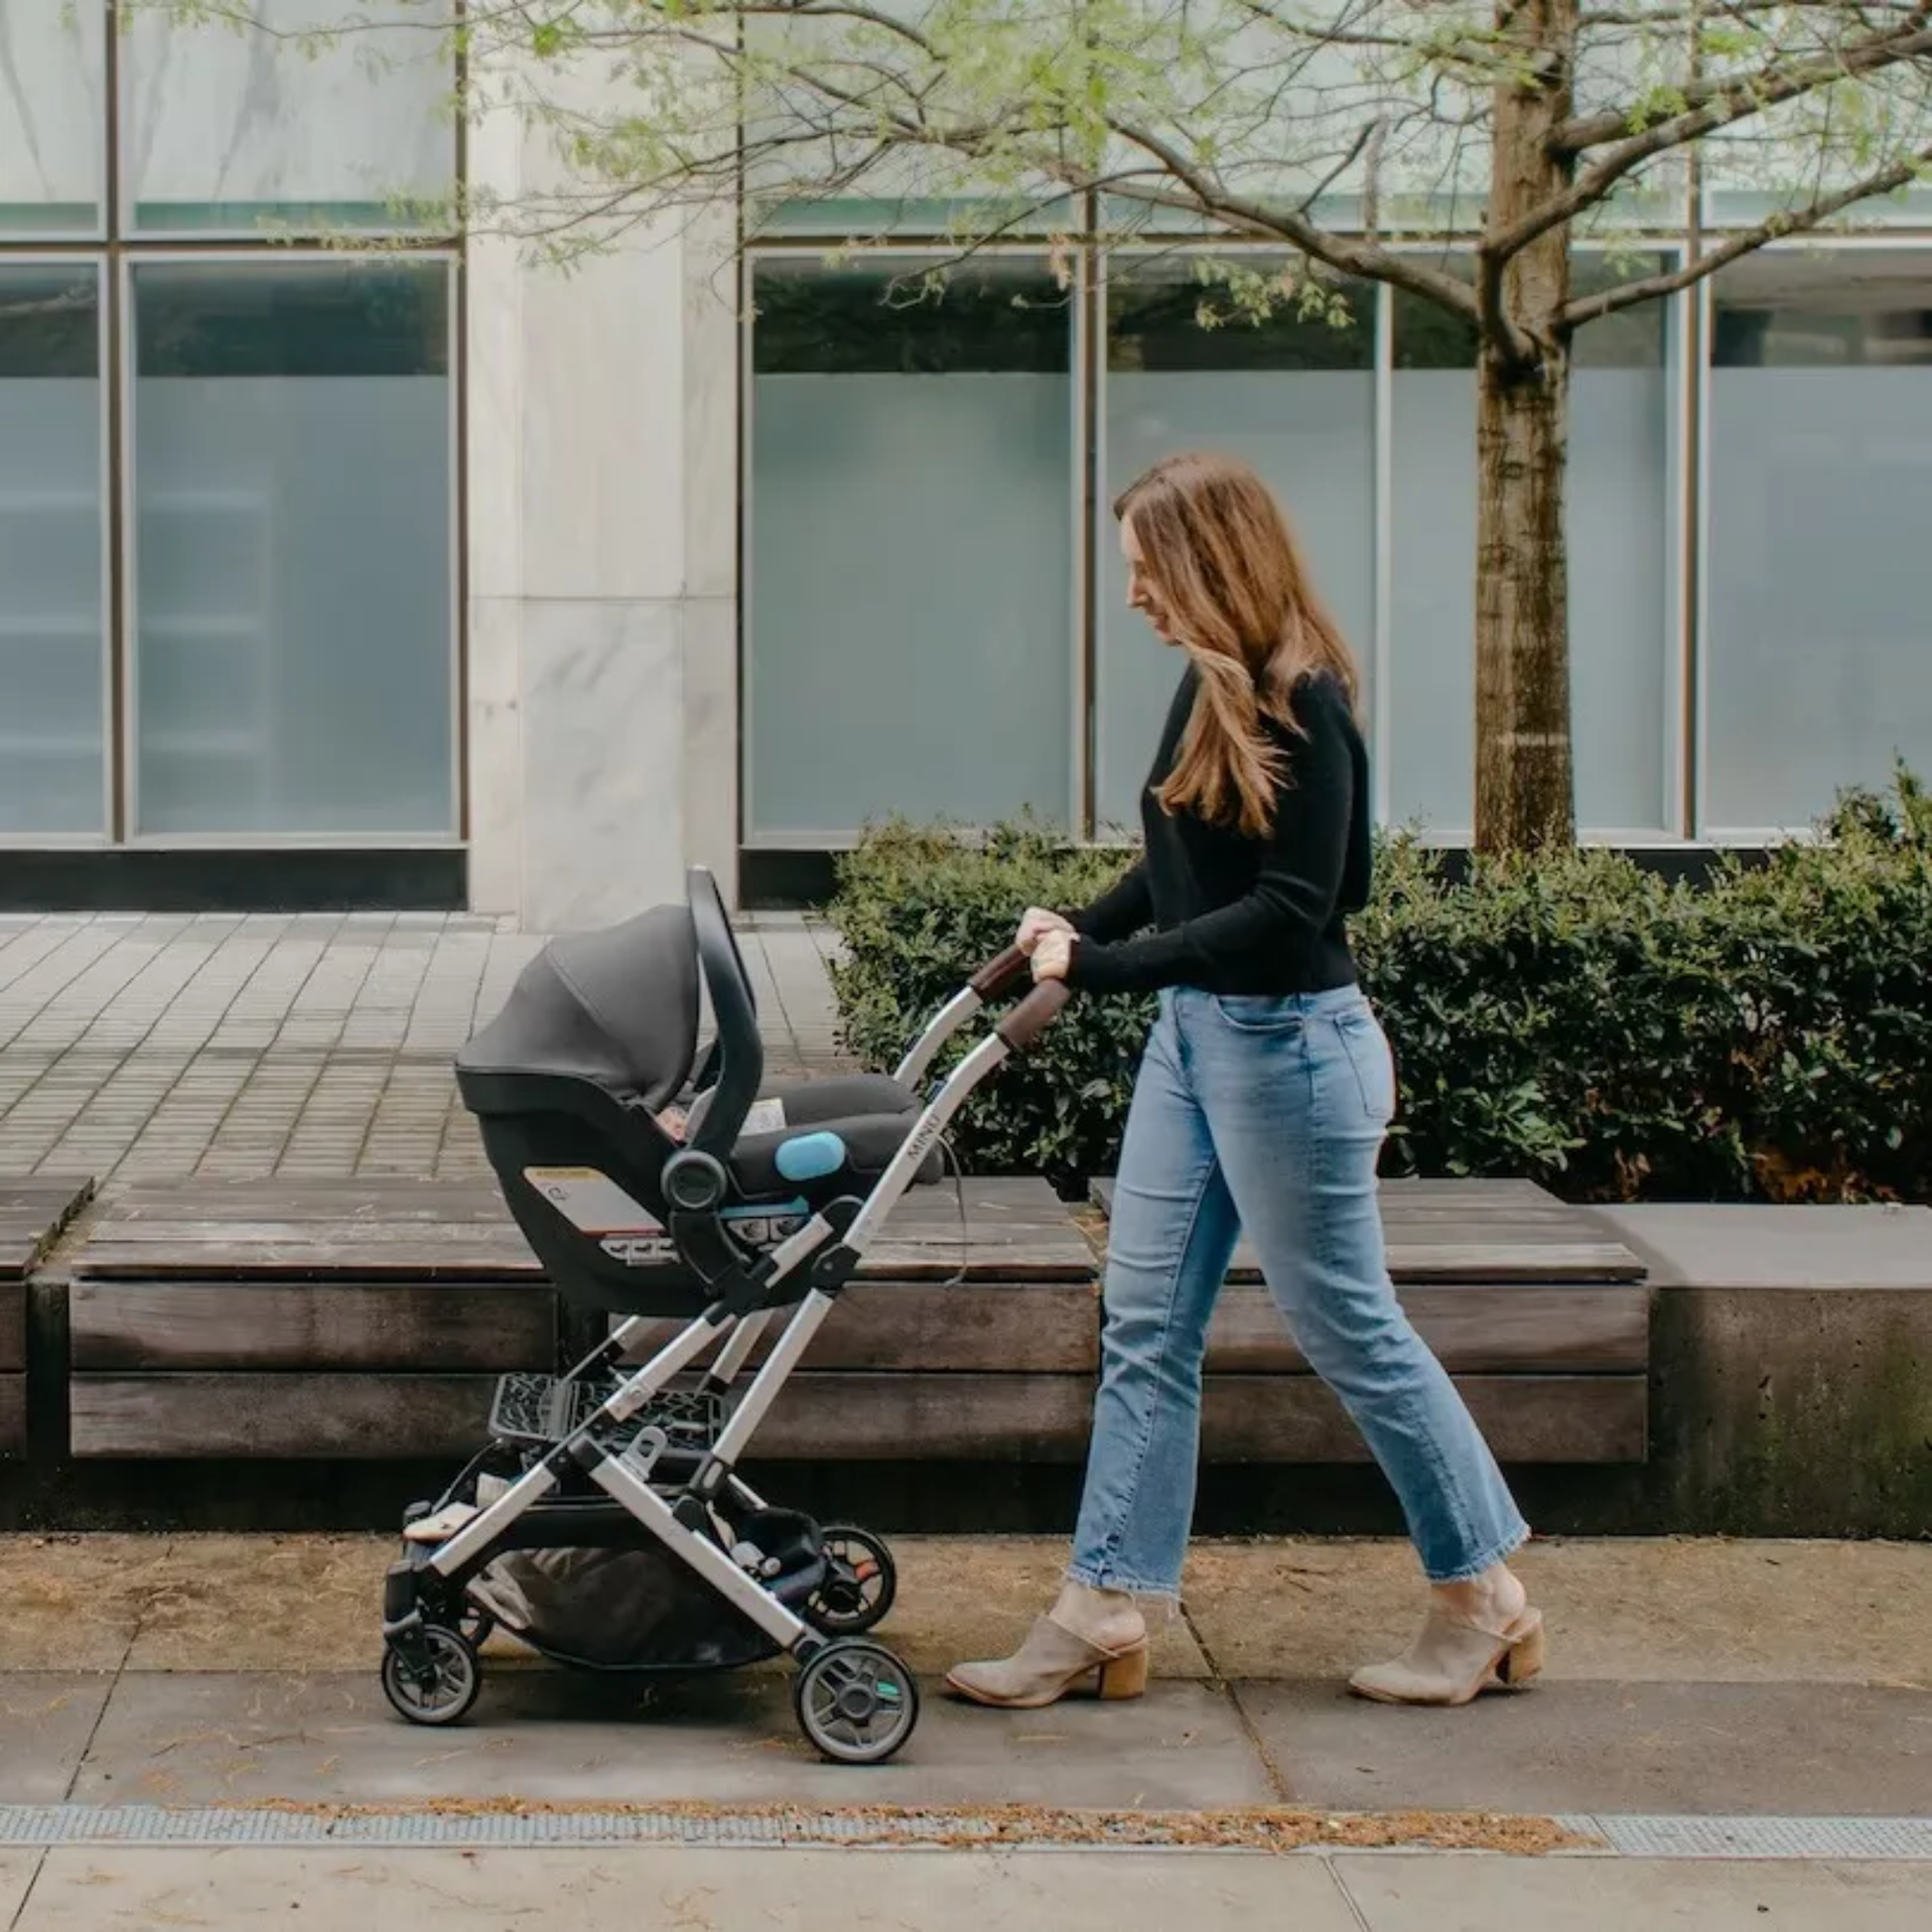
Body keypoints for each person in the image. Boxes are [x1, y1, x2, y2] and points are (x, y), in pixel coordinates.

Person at [946, 452, 1542, 1713]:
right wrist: (1071, 926)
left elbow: (1295, 910)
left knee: (1346, 1327)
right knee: (1146, 1322)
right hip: (1194, 1044)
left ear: (1209, 560)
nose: (1132, 595)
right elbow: (1179, 862)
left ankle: (1481, 1595)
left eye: (1144, 569)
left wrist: (1100, 966)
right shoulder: (1205, 688)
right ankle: (1102, 1601)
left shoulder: (1303, 695)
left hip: (1293, 1053)